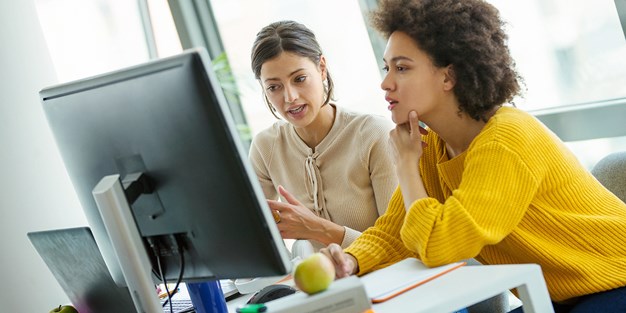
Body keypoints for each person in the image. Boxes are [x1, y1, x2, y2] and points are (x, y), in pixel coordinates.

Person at [320, 0, 626, 312]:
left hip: (616, 284)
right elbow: (396, 233)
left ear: (448, 77)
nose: (386, 83)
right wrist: (349, 260)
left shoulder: (506, 140)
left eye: (402, 68)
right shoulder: (433, 148)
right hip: (560, 298)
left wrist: (405, 166)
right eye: (387, 68)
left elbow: (438, 246)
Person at [249, 20, 397, 251]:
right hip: (319, 285)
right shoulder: (265, 147)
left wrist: (316, 228)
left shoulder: (374, 134)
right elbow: (251, 234)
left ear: (321, 68)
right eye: (274, 87)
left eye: (299, 79)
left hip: (388, 280)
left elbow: (399, 246)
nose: (290, 97)